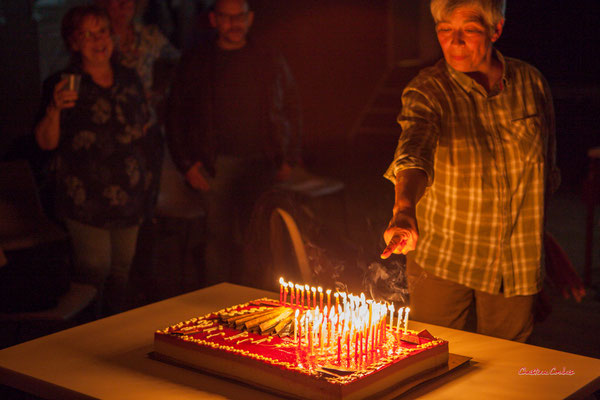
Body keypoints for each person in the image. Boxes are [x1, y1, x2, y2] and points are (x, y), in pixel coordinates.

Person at [380, 0, 560, 342]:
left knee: (508, 370)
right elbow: (414, 149)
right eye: (445, 31)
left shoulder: (531, 84)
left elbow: (544, 176)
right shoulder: (428, 89)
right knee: (432, 354)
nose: (455, 42)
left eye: (470, 30)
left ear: (496, 30)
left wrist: (542, 246)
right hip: (445, 257)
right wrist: (404, 209)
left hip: (517, 263)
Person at [34, 5, 161, 315]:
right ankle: (83, 342)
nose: (97, 40)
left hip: (129, 194)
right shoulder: (63, 84)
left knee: (121, 271)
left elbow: (142, 125)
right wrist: (55, 110)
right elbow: (45, 143)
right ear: (74, 43)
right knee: (94, 270)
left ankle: (113, 339)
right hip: (85, 197)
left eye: (102, 31)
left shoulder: (129, 77)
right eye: (86, 35)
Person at [166, 0, 302, 286]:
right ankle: (218, 306)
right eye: (226, 18)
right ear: (214, 20)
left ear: (249, 18)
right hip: (217, 164)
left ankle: (258, 302)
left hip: (262, 161)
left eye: (238, 16)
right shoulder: (198, 60)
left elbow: (291, 104)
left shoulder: (268, 57)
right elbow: (175, 113)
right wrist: (187, 164)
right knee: (219, 240)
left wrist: (289, 156)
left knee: (261, 238)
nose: (234, 24)